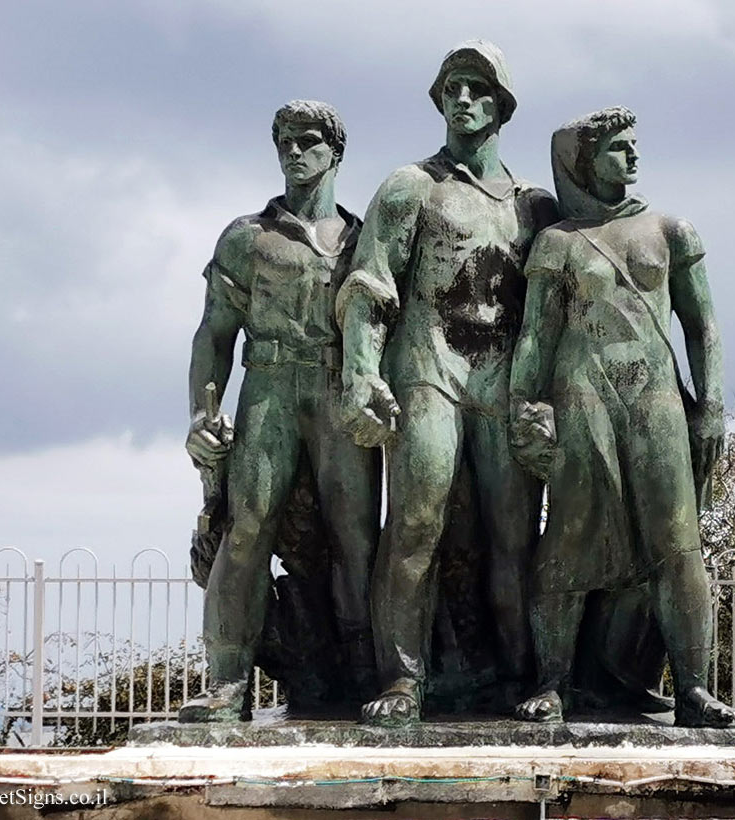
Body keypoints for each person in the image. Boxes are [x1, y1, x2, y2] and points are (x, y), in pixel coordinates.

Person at [338, 40, 558, 725]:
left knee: (515, 535)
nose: (463, 99)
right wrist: (360, 374)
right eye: (453, 88)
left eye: (478, 88)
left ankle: (524, 674)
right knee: (416, 524)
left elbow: (562, 316)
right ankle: (403, 678)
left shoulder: (536, 208)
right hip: (428, 369)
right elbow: (371, 286)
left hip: (503, 381)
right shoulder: (412, 185)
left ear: (503, 106)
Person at [509, 106, 735, 727]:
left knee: (677, 542)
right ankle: (553, 681)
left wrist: (712, 404)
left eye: (634, 144)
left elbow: (703, 325)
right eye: (617, 147)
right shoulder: (557, 241)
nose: (632, 156)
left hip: (656, 398)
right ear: (585, 162)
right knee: (569, 535)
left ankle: (694, 687)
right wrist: (525, 409)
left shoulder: (671, 229)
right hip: (580, 394)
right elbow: (536, 337)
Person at [180, 100, 380, 722]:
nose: (295, 151)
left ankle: (361, 668)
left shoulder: (363, 239)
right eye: (285, 141)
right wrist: (199, 415)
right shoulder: (248, 237)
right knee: (249, 527)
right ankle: (228, 679)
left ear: (336, 152)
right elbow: (214, 335)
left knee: (356, 539)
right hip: (266, 386)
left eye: (309, 140)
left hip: (337, 390)